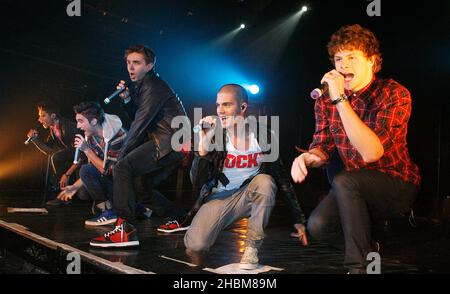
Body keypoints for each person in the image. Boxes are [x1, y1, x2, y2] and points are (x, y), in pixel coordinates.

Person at [290, 24, 421, 274]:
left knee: (346, 180)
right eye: (339, 58)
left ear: (371, 61)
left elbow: (372, 153)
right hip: (351, 187)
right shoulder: (327, 100)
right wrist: (308, 157)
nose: (343, 65)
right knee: (318, 226)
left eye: (352, 57)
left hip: (395, 184)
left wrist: (340, 100)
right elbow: (322, 146)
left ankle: (357, 267)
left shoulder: (393, 93)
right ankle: (369, 247)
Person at [184, 84, 308, 270]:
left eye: (226, 105)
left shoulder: (262, 135)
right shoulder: (216, 135)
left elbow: (280, 176)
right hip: (220, 198)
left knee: (265, 182)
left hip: (249, 195)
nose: (220, 111)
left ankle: (251, 248)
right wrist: (203, 144)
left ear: (242, 107)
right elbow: (196, 181)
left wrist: (298, 218)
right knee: (195, 245)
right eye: (218, 105)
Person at [90, 45, 187, 248]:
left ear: (149, 65)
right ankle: (178, 217)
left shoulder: (153, 86)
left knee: (123, 167)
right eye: (128, 63)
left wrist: (120, 157)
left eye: (137, 63)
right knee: (140, 186)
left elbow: (139, 124)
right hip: (169, 140)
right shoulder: (144, 86)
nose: (130, 68)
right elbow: (140, 116)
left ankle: (124, 229)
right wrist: (126, 99)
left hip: (170, 140)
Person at [57, 101, 127, 227]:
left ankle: (110, 211)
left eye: (81, 121)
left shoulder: (118, 135)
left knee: (85, 171)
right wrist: (74, 186)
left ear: (94, 121)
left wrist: (86, 150)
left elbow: (109, 171)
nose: (78, 126)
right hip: (114, 180)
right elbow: (93, 167)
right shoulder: (90, 136)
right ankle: (136, 208)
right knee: (83, 192)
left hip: (127, 182)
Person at [26, 101, 80, 205]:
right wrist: (35, 140)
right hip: (74, 156)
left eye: (43, 115)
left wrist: (67, 174)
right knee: (56, 157)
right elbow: (49, 151)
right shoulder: (53, 130)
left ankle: (66, 194)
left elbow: (80, 154)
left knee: (83, 195)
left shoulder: (68, 126)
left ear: (53, 115)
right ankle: (64, 196)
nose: (39, 119)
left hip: (83, 156)